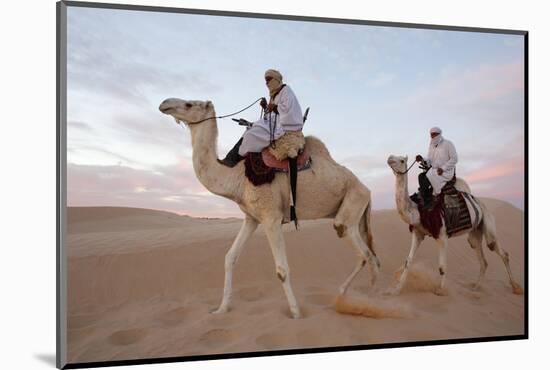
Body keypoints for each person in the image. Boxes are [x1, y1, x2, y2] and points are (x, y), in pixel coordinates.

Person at [220, 69, 304, 167]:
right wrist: (265, 107)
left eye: (269, 79)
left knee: (251, 134)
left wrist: (276, 107)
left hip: (285, 126)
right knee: (249, 129)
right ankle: (231, 158)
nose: (267, 83)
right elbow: (271, 114)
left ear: (276, 80)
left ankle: (235, 159)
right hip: (273, 124)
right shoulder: (273, 96)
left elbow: (290, 111)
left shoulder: (286, 91)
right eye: (266, 81)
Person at [415, 127, 458, 207]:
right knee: (421, 176)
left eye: (435, 134)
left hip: (446, 171)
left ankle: (429, 199)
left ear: (439, 134)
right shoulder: (431, 146)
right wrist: (422, 159)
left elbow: (454, 159)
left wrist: (443, 168)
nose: (433, 136)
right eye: (431, 135)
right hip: (434, 170)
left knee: (427, 178)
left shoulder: (448, 144)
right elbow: (429, 160)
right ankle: (425, 197)